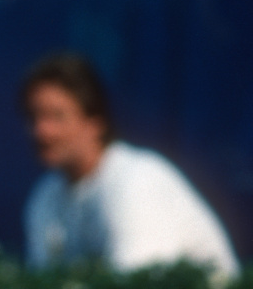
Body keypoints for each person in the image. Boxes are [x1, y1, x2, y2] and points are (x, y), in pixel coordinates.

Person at [19, 52, 240, 275]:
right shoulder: (45, 196)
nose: (41, 131)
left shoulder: (136, 182)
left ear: (95, 123)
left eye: (57, 116)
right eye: (34, 117)